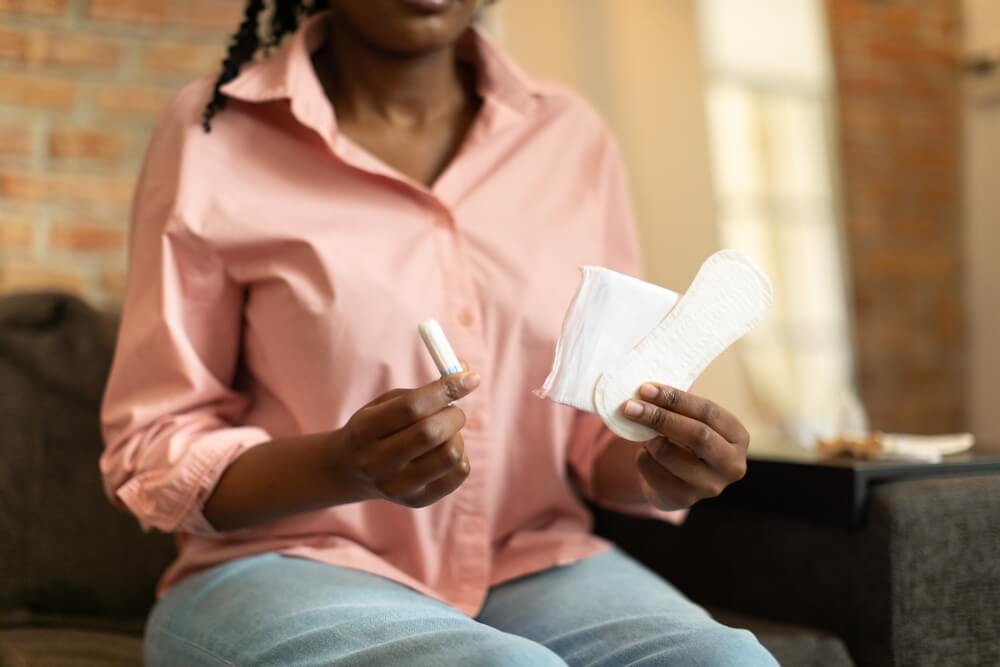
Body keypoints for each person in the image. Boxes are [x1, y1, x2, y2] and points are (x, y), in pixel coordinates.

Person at [100, 1, 777, 664]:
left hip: (530, 560)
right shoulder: (213, 131)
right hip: (284, 565)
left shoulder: (570, 136)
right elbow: (154, 444)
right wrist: (344, 464)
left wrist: (663, 463)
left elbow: (591, 435)